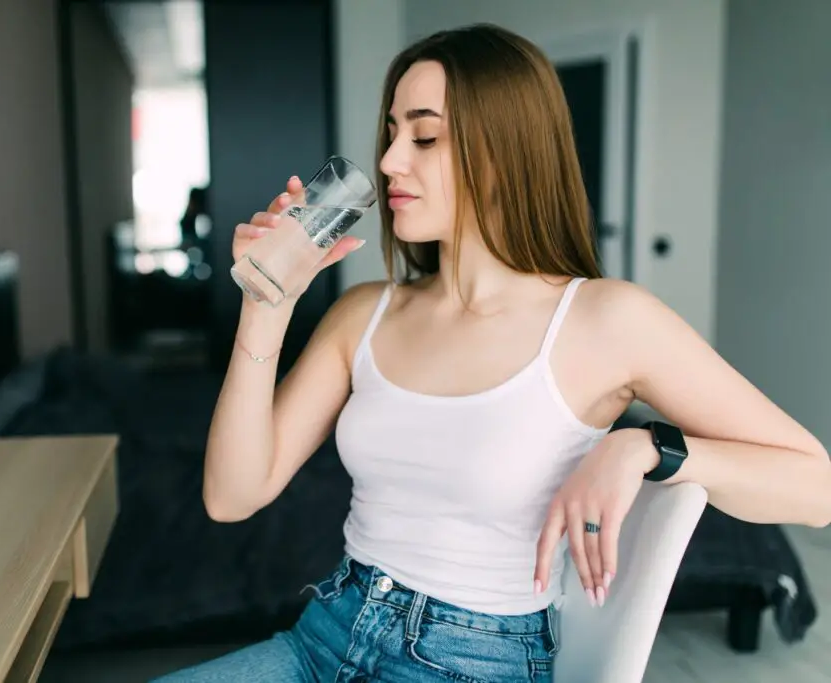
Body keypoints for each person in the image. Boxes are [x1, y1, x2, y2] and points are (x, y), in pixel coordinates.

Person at [155, 23, 830, 683]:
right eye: (391, 132)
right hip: (325, 632)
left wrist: (647, 447)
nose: (389, 160)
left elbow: (815, 485)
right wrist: (264, 310)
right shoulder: (364, 313)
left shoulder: (607, 319)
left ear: (506, 152)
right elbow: (231, 496)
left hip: (470, 659)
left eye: (423, 135)